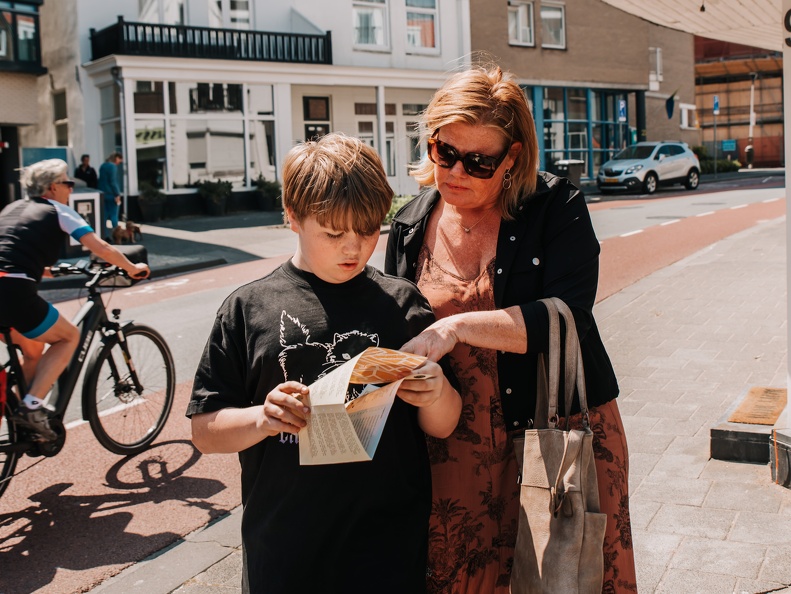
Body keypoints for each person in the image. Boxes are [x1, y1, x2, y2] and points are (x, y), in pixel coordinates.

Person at [384, 64, 637, 594]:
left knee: (568, 576)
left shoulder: (555, 208)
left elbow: (567, 313)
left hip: (559, 427)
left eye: (479, 161)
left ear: (513, 157)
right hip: (454, 442)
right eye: (444, 151)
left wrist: (455, 328)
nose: (456, 171)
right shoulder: (409, 223)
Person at [188, 133, 461, 594]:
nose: (353, 249)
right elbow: (204, 431)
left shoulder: (401, 302)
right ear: (291, 216)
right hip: (286, 552)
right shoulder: (248, 308)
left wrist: (437, 392)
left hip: (387, 550)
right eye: (333, 233)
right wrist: (262, 417)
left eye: (370, 230)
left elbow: (444, 424)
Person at [0, 159, 150, 439]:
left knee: (33, 350)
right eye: (68, 183)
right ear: (53, 186)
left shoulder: (10, 209)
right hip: (12, 293)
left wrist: (46, 271)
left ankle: (18, 409)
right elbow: (102, 247)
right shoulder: (59, 210)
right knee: (68, 337)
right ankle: (31, 408)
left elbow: (9, 255)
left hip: (7, 285)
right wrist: (133, 268)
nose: (70, 189)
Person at [97, 152, 123, 239]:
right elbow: (113, 181)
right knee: (113, 215)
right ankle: (116, 235)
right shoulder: (113, 167)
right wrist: (117, 194)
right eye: (120, 160)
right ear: (116, 158)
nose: (120, 162)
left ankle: (104, 235)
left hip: (102, 193)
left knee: (104, 215)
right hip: (111, 194)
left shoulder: (103, 166)